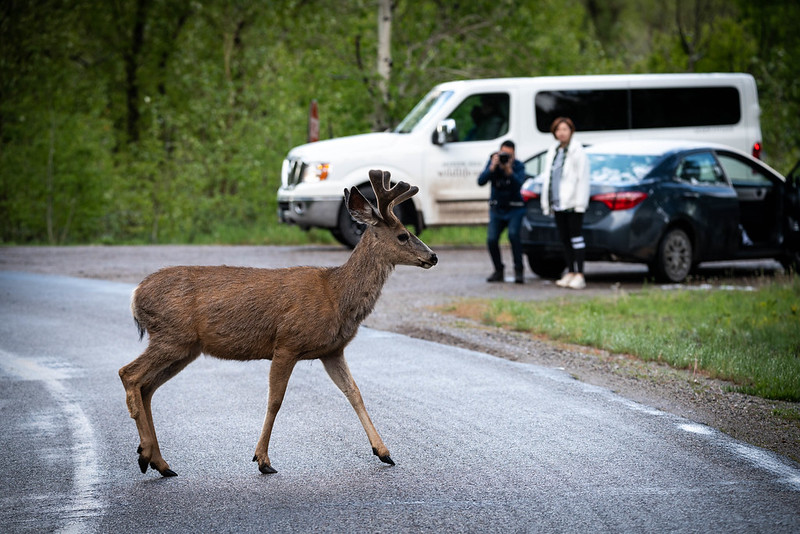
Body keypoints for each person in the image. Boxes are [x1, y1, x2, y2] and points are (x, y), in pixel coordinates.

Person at [540, 117, 590, 289]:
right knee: (564, 238)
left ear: (571, 131)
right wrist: (547, 202)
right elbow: (549, 177)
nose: (561, 133)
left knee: (576, 237)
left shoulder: (577, 151)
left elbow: (582, 178)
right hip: (558, 202)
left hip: (573, 202)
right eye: (558, 130)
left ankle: (580, 273)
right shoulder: (553, 150)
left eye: (565, 129)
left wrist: (580, 203)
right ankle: (570, 271)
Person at [478, 139, 527, 284]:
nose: (505, 158)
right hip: (497, 208)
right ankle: (498, 270)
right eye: (503, 154)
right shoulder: (493, 162)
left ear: (514, 155)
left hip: (515, 208)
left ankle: (519, 270)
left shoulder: (518, 166)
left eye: (509, 155)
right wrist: (492, 167)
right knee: (492, 239)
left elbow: (519, 185)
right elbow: (480, 181)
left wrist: (509, 171)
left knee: (513, 236)